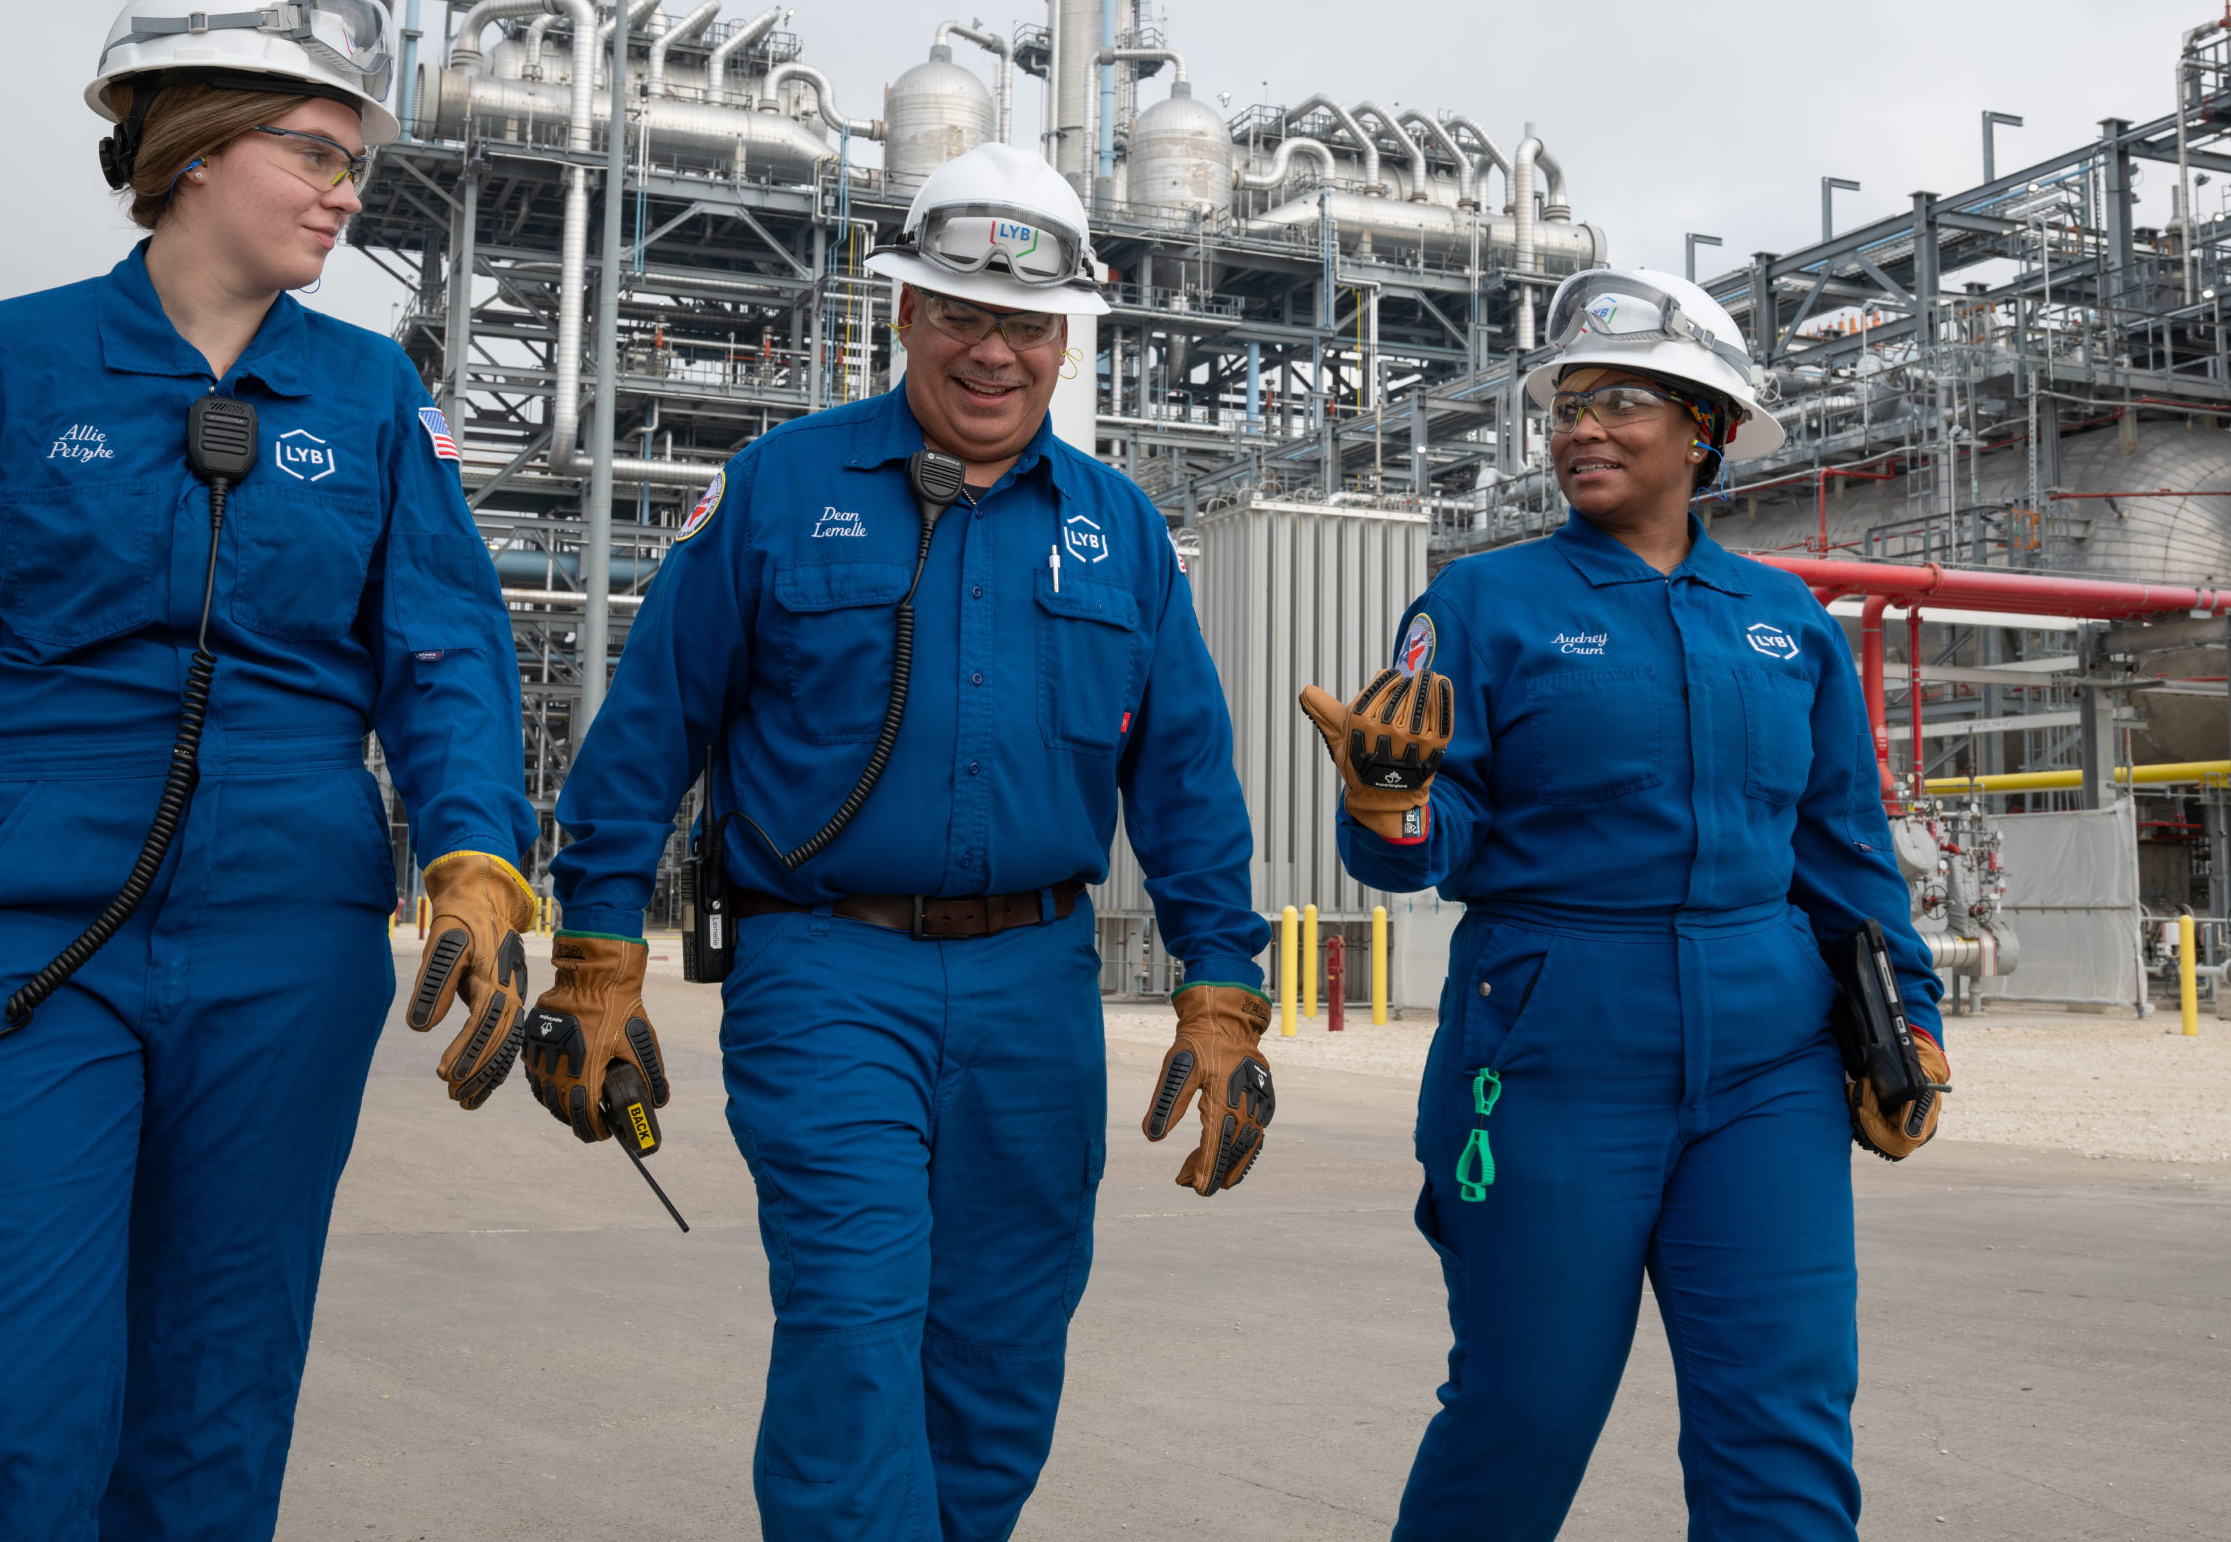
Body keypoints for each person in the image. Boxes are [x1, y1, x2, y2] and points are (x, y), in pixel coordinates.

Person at [0, 0, 537, 1540]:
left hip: (285, 936)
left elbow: (445, 649)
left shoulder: (373, 396)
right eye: (315, 151)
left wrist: (475, 848)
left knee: (210, 1401)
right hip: (31, 926)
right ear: (196, 147)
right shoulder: (9, 366)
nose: (344, 190)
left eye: (354, 161)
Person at [532, 141, 1275, 1542]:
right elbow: (649, 729)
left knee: (1001, 1348)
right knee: (854, 1319)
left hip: (1035, 984)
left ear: (1066, 341)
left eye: (1025, 325)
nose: (992, 352)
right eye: (959, 313)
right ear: (903, 317)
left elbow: (1182, 779)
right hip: (825, 972)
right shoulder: (774, 486)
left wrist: (1222, 986)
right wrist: (593, 953)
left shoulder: (1119, 531)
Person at [1301, 267, 1950, 1542]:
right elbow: (1424, 847)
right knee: (1520, 1410)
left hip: (1770, 1060)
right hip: (1551, 1047)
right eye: (1564, 406)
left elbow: (1843, 851)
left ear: (1704, 426)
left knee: (1785, 1414)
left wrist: (1908, 1018)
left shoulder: (1781, 622)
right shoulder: (1482, 605)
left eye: (1621, 402)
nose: (1579, 428)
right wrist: (1385, 809)